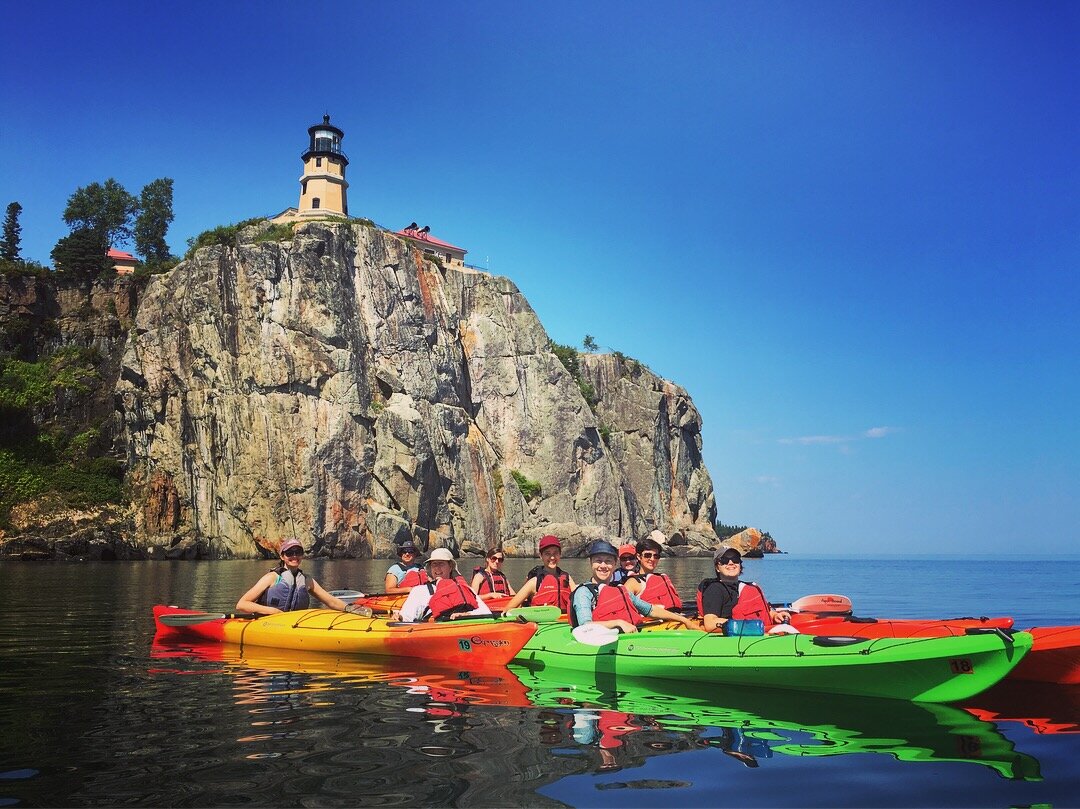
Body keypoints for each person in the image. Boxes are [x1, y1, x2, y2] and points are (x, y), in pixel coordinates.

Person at [570, 540, 695, 633]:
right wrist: (618, 622)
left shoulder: (619, 589)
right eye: (598, 561)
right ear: (590, 563)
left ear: (614, 564)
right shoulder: (584, 592)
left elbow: (650, 610)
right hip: (598, 643)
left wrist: (683, 619)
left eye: (608, 561)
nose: (603, 566)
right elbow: (585, 625)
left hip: (626, 640)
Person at [237, 538, 365, 615]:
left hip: (295, 624)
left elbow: (331, 601)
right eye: (289, 553)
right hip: (268, 622)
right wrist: (272, 611)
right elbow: (242, 604)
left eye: (298, 552)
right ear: (282, 556)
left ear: (302, 555)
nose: (294, 556)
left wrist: (351, 608)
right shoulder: (272, 577)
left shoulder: (306, 580)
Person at [697, 548, 794, 633]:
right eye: (724, 560)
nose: (731, 563)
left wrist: (774, 615)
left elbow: (762, 612)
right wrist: (749, 627)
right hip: (737, 637)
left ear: (740, 565)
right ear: (717, 567)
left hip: (762, 632)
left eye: (735, 559)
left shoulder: (747, 587)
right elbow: (710, 623)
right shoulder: (714, 590)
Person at [397, 548, 493, 622]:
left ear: (450, 567)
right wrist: (399, 616)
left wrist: (467, 614)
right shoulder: (420, 591)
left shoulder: (465, 589)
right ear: (430, 568)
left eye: (441, 564)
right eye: (434, 564)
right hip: (434, 634)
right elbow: (407, 616)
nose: (437, 568)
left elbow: (486, 612)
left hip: (463, 629)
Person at [502, 535, 578, 614]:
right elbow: (508, 609)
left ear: (560, 555)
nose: (552, 557)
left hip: (565, 623)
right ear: (541, 556)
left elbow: (579, 601)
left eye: (555, 553)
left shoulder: (567, 578)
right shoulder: (535, 582)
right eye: (547, 554)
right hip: (541, 625)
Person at [623, 536, 682, 610]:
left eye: (656, 556)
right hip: (650, 620)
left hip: (674, 617)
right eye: (648, 555)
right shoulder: (633, 582)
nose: (652, 559)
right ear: (638, 556)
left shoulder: (662, 578)